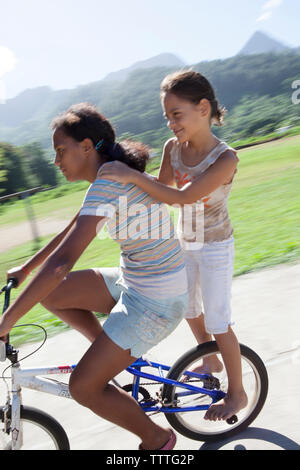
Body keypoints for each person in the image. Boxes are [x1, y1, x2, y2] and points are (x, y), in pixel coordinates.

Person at [0, 102, 189, 450]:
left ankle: (158, 440)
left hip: (158, 301)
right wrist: (27, 270)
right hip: (135, 280)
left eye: (61, 151)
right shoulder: (107, 178)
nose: (56, 161)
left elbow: (62, 264)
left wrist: (5, 323)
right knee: (51, 293)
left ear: (87, 146)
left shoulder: (108, 183)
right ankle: (109, 359)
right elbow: (70, 233)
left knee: (83, 387)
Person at [99, 70, 248, 422]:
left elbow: (183, 196)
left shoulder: (226, 158)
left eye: (176, 114)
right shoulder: (173, 149)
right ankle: (209, 359)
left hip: (214, 248)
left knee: (218, 320)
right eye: (166, 116)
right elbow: (161, 187)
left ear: (202, 108)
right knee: (188, 308)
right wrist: (127, 177)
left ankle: (238, 393)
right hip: (185, 241)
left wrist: (132, 176)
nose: (170, 123)